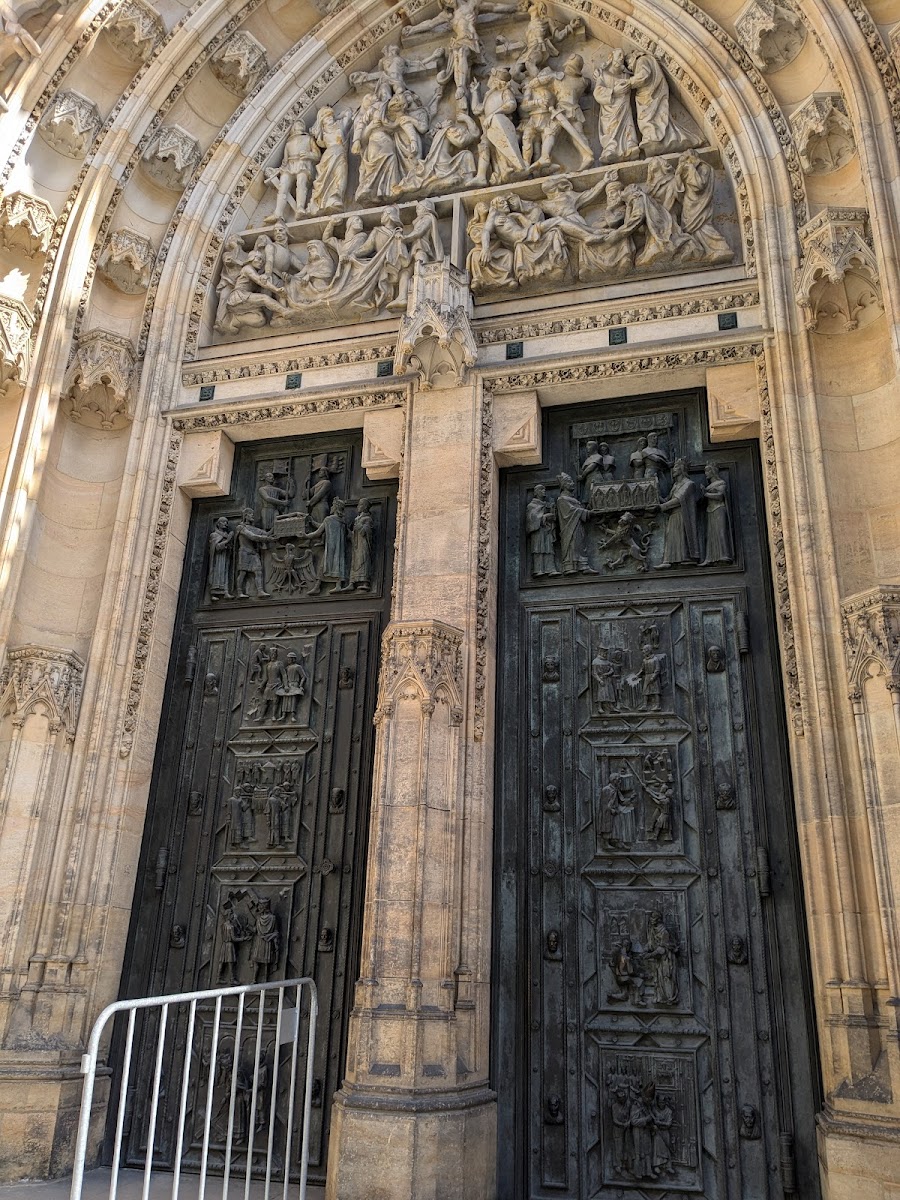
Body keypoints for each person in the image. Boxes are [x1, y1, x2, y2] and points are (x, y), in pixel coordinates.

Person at [264, 119, 320, 222]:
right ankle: (278, 213)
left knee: (301, 184)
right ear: (293, 128)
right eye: (297, 124)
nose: (299, 125)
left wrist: (309, 155)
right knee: (283, 187)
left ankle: (300, 208)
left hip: (303, 164)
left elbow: (317, 155)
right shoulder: (289, 143)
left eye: (301, 123)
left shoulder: (308, 139)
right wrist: (276, 171)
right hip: (289, 166)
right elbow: (284, 162)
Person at [658, 458, 700, 566]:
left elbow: (678, 499)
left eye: (676, 467)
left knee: (681, 536)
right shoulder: (675, 485)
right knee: (671, 537)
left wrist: (662, 506)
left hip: (682, 515)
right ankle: (668, 560)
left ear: (682, 468)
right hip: (673, 515)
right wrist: (656, 495)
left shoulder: (689, 484)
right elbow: (668, 499)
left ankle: (686, 558)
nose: (673, 469)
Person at [235, 508, 273, 598]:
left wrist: (276, 525)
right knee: (243, 573)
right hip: (244, 553)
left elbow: (266, 534)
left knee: (258, 571)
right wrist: (268, 539)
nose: (252, 515)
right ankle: (239, 592)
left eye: (252, 513)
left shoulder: (254, 529)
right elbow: (253, 537)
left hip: (253, 553)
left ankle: (260, 591)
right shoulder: (241, 527)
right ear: (245, 516)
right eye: (250, 513)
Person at [701, 461, 734, 563]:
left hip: (719, 508)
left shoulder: (721, 483)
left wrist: (706, 494)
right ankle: (710, 558)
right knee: (711, 535)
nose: (706, 473)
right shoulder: (708, 487)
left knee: (721, 531)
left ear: (713, 471)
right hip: (710, 510)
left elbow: (720, 496)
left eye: (707, 471)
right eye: (705, 471)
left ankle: (725, 554)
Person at [524, 483, 558, 576]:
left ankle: (550, 568)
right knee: (538, 549)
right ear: (536, 492)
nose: (544, 491)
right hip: (538, 531)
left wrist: (552, 512)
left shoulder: (547, 504)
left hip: (547, 529)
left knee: (549, 548)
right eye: (541, 490)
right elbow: (531, 518)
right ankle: (538, 569)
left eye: (544, 490)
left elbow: (553, 517)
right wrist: (544, 517)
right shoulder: (532, 505)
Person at [350, 498, 375, 589]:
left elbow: (367, 531)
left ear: (365, 507)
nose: (358, 507)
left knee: (363, 560)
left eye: (360, 505)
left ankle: (365, 582)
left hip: (363, 544)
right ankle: (352, 582)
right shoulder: (357, 519)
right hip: (356, 544)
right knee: (355, 561)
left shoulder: (367, 519)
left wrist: (359, 526)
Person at [207, 516, 233, 600]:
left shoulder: (226, 535)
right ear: (218, 524)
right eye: (223, 522)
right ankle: (214, 593)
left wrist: (229, 545)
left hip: (225, 557)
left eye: (226, 522)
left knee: (225, 573)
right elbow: (216, 547)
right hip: (217, 559)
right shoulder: (214, 535)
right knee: (217, 573)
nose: (225, 524)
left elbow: (229, 547)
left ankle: (225, 591)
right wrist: (227, 540)